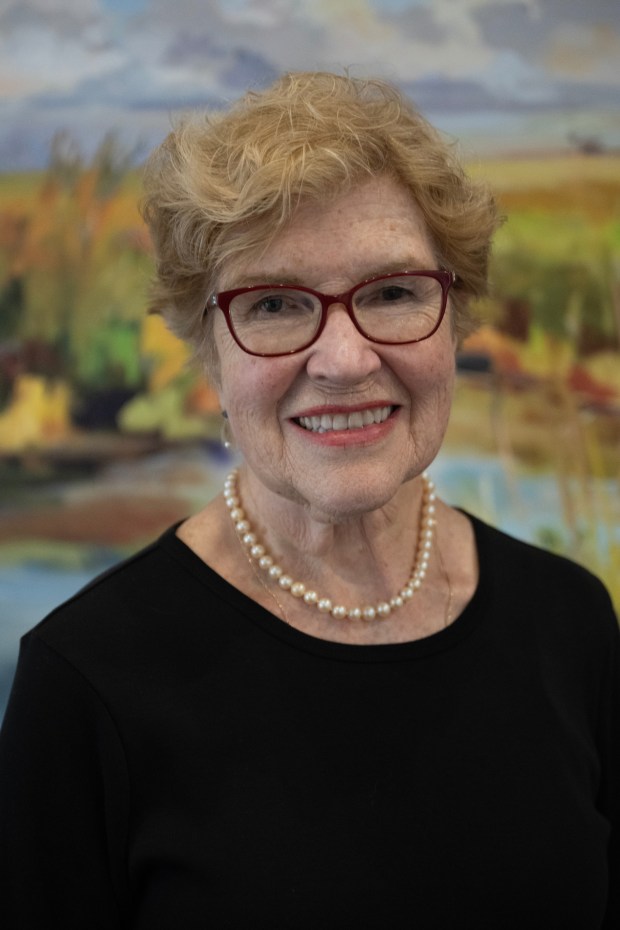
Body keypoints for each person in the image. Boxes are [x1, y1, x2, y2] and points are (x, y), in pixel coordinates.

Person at [0, 71, 617, 929]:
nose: (345, 359)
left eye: (393, 292)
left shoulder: (570, 621)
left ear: (456, 314)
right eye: (278, 304)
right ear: (210, 352)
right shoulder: (86, 682)